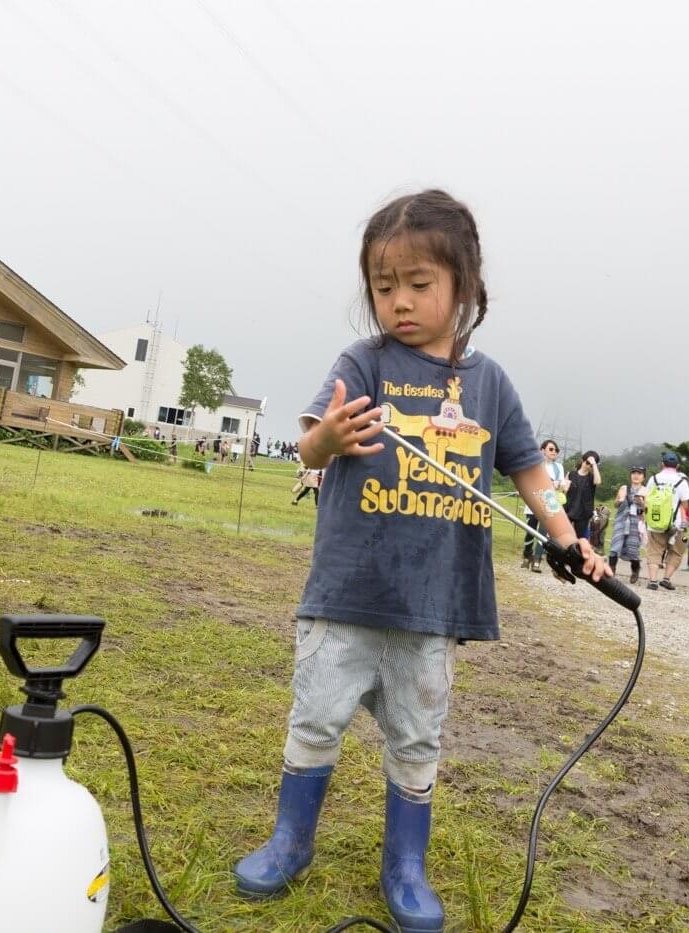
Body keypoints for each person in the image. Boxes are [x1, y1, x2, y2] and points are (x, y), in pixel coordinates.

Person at [232, 189, 609, 931]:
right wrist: (327, 441)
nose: (398, 301)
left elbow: (530, 470)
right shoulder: (362, 361)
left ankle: (405, 865)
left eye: (418, 283)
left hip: (432, 605)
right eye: (382, 286)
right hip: (346, 593)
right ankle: (289, 839)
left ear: (463, 286)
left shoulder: (490, 384)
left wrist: (567, 535)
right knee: (315, 717)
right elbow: (310, 442)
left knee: (417, 735)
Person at [643, 451, 689, 591]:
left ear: (662, 464)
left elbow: (646, 500)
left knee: (654, 551)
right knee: (676, 551)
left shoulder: (654, 479)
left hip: (656, 522)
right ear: (677, 466)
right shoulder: (682, 482)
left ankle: (652, 581)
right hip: (676, 525)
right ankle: (666, 579)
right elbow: (685, 505)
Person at [520, 439, 566, 573]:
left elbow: (561, 484)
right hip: (533, 502)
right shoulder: (534, 465)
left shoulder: (559, 468)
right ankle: (527, 553)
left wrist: (559, 485)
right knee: (530, 530)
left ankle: (537, 560)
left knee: (543, 533)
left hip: (549, 503)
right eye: (551, 449)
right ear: (542, 450)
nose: (554, 452)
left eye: (556, 450)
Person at [608, 466, 647, 583]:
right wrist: (619, 501)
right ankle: (611, 571)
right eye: (634, 473)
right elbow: (615, 504)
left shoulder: (646, 490)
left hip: (636, 522)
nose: (636, 475)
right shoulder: (624, 488)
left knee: (633, 549)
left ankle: (635, 570)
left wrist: (642, 503)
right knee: (615, 546)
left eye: (639, 474)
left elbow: (648, 509)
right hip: (621, 520)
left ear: (643, 477)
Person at [563, 450, 601, 541]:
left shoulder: (592, 477)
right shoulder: (571, 474)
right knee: (564, 535)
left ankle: (576, 555)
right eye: (587, 462)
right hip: (568, 510)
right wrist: (564, 489)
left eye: (591, 465)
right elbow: (563, 492)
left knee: (579, 538)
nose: (589, 465)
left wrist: (594, 464)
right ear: (583, 460)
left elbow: (598, 482)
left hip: (584, 513)